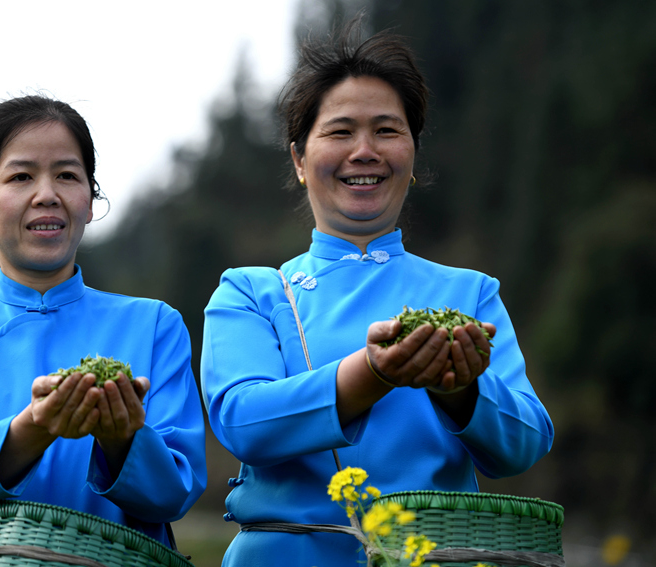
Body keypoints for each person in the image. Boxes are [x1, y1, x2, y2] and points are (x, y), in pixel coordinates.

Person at [200, 22, 554, 566]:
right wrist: (375, 372)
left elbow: (525, 443)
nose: (364, 151)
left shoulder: (469, 293)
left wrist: (461, 389)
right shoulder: (251, 292)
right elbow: (245, 423)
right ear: (298, 159)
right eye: (340, 132)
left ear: (412, 154)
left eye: (387, 130)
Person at [0, 95, 207, 567]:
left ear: (91, 201)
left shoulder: (154, 325)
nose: (47, 193)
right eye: (20, 176)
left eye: (67, 175)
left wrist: (122, 439)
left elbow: (175, 492)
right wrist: (34, 427)